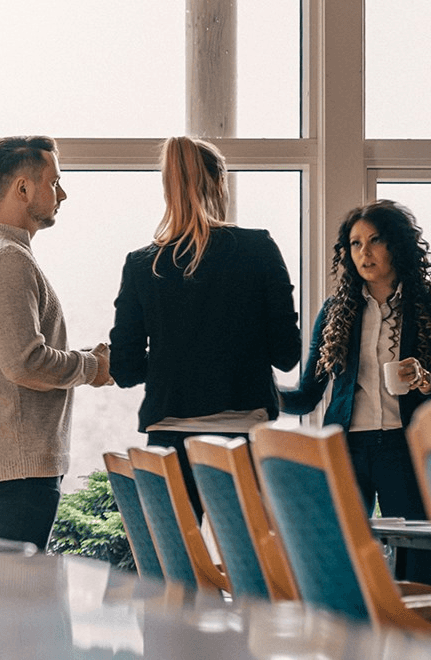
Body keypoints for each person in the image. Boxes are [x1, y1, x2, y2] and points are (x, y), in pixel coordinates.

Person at [110, 136, 301, 517]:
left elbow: (125, 370)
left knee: (175, 571)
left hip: (168, 441)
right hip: (244, 439)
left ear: (169, 188)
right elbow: (286, 355)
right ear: (218, 184)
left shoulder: (141, 264)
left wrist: (175, 362)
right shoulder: (258, 248)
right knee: (251, 566)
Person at [281, 200, 431, 584]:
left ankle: (416, 637)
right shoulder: (335, 312)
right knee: (341, 558)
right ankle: (349, 640)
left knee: (415, 564)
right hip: (347, 448)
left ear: (396, 244)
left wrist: (427, 380)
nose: (364, 253)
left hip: (405, 448)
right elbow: (306, 395)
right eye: (355, 243)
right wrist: (259, 389)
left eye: (374, 240)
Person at [0, 136, 110, 547]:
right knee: (15, 601)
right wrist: (93, 367)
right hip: (20, 465)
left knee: (11, 598)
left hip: (15, 461)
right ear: (23, 189)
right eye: (54, 182)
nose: (62, 193)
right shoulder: (7, 258)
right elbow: (24, 363)